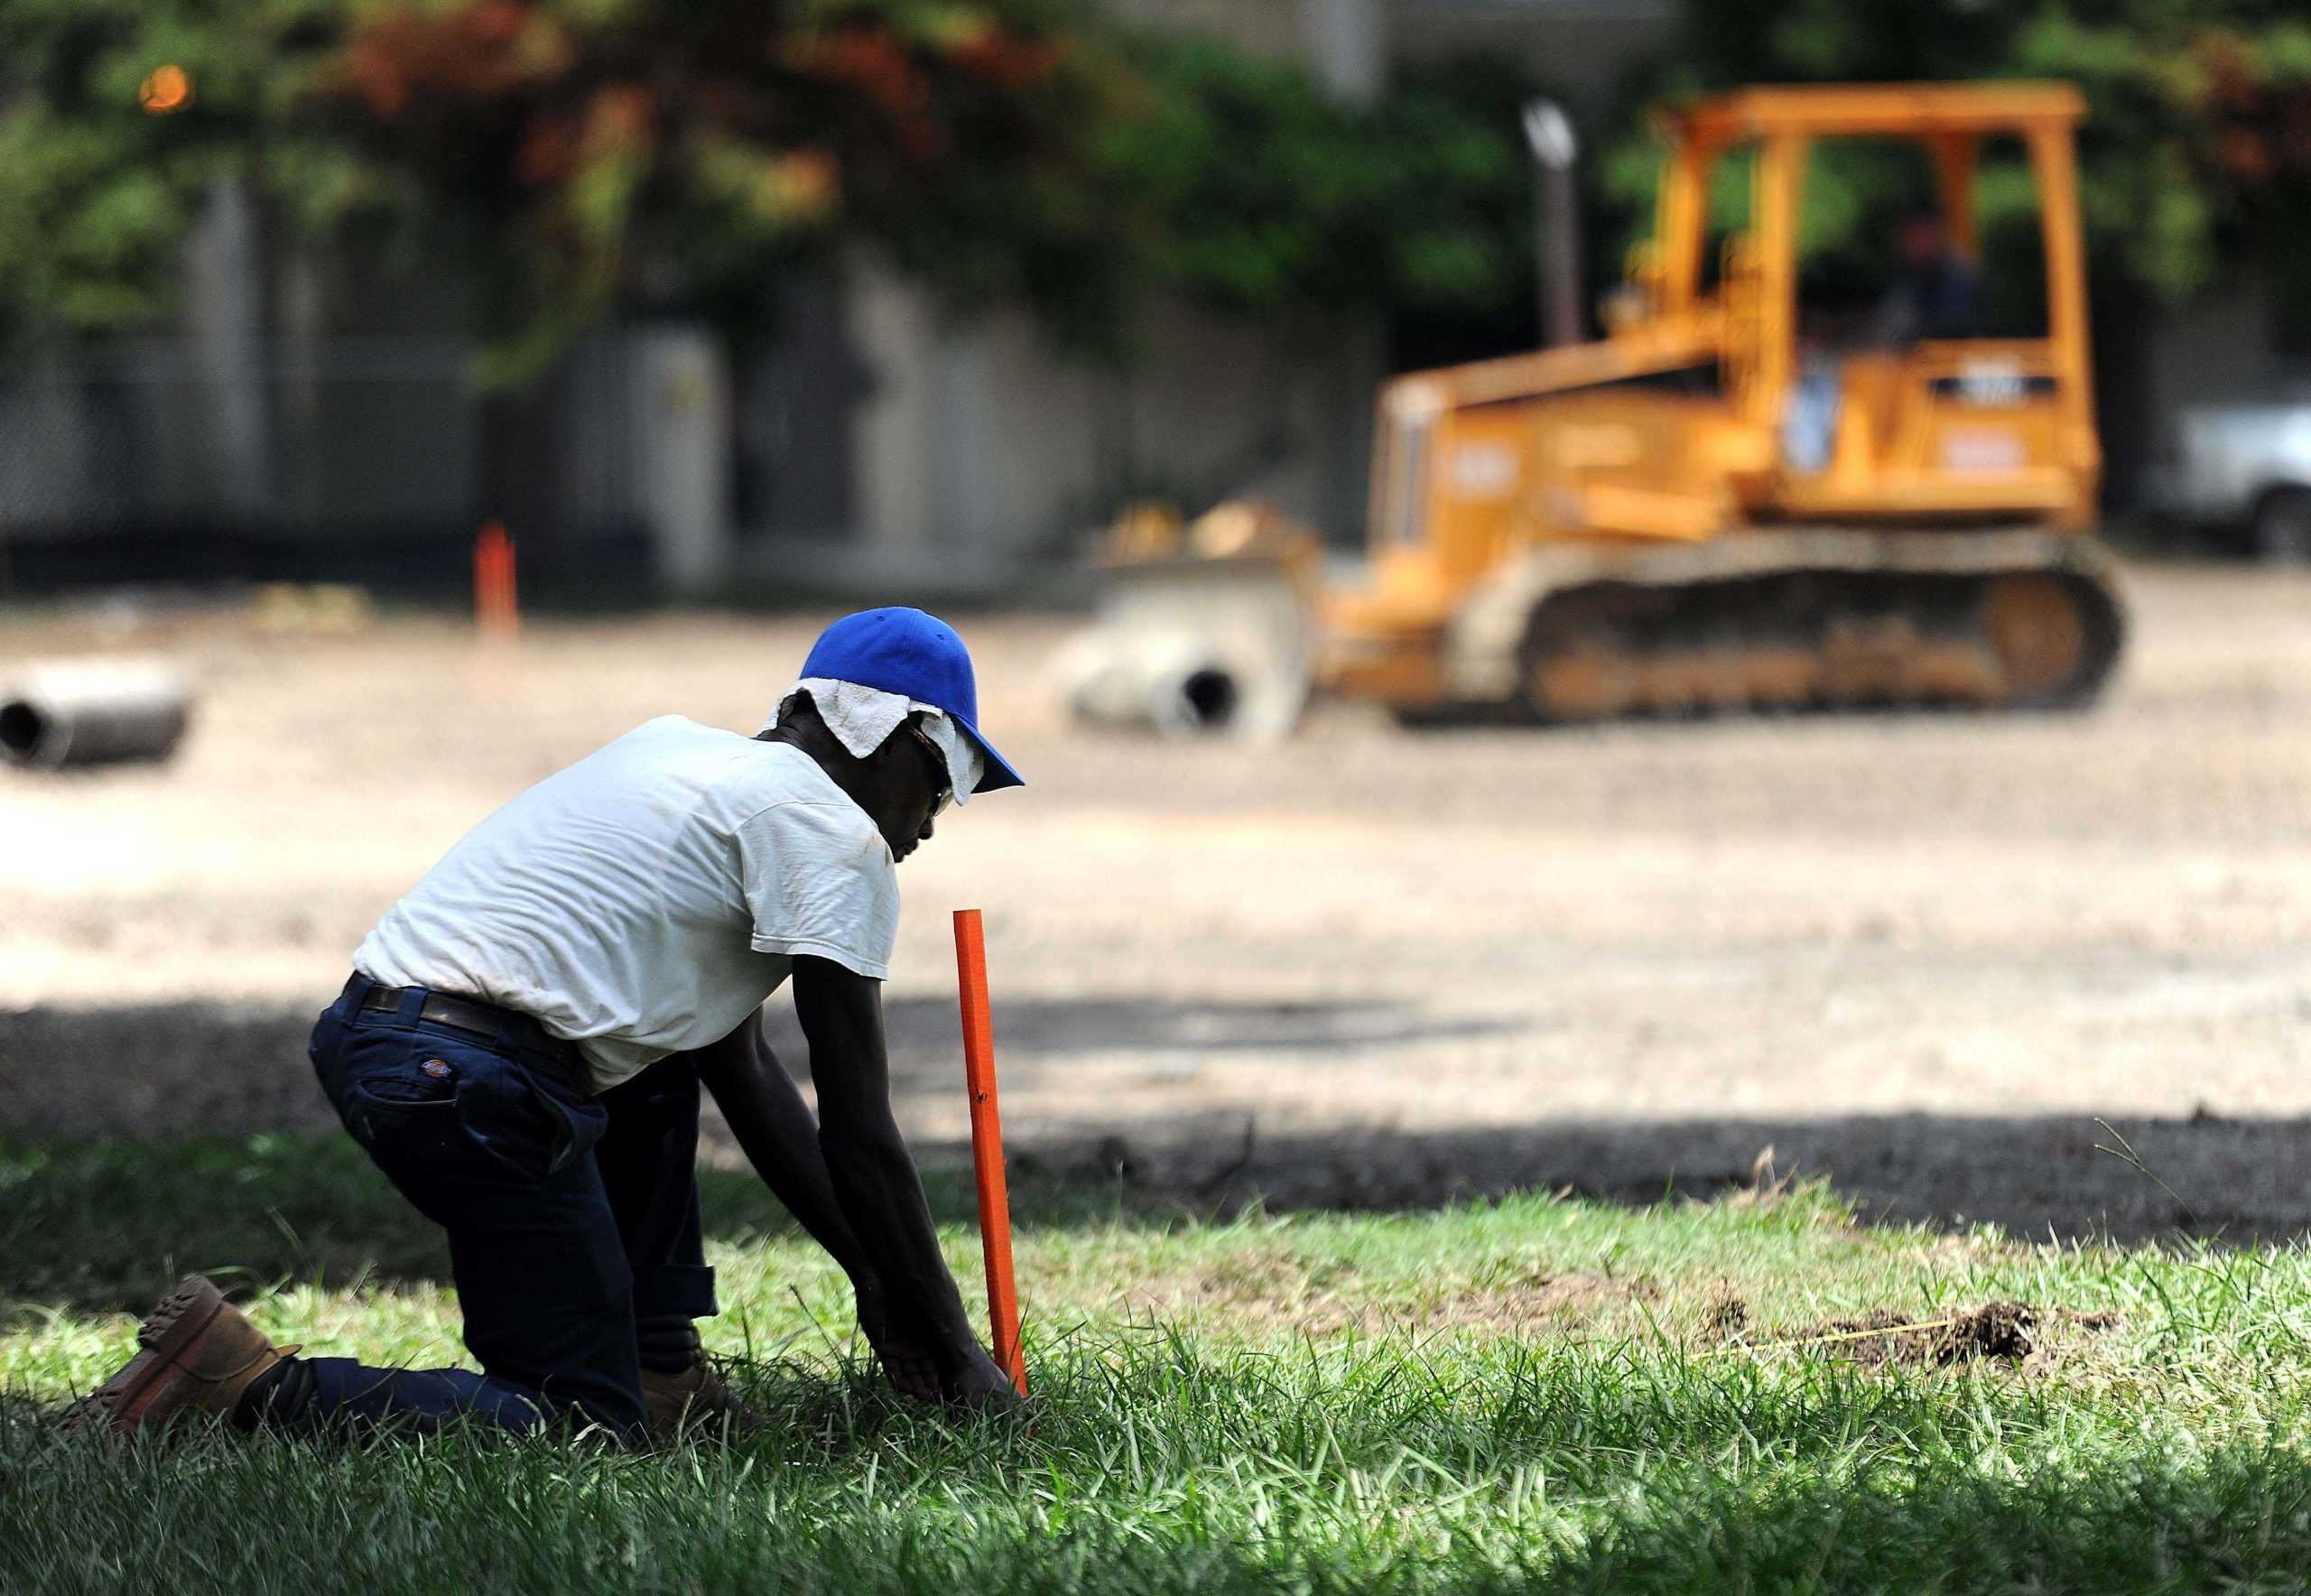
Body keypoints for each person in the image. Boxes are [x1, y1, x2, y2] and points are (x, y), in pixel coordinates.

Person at [71, 608, 1027, 1443]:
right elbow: (859, 1131)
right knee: (579, 1427)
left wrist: (877, 1277)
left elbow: (739, 1067)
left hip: (382, 1036)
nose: (933, 825)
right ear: (896, 739)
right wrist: (952, 1345)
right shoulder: (834, 836)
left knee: (662, 1065)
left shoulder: (681, 751)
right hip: (474, 1081)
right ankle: (243, 1382)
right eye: (942, 785)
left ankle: (657, 1366)